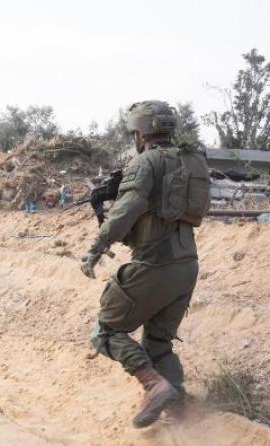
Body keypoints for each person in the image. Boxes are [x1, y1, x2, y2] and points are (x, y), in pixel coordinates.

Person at [80, 100, 210, 428]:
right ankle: (178, 415)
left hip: (154, 262)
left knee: (106, 332)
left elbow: (127, 211)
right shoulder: (193, 161)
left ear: (140, 133)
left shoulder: (145, 162)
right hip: (187, 264)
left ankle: (154, 385)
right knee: (158, 343)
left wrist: (97, 247)